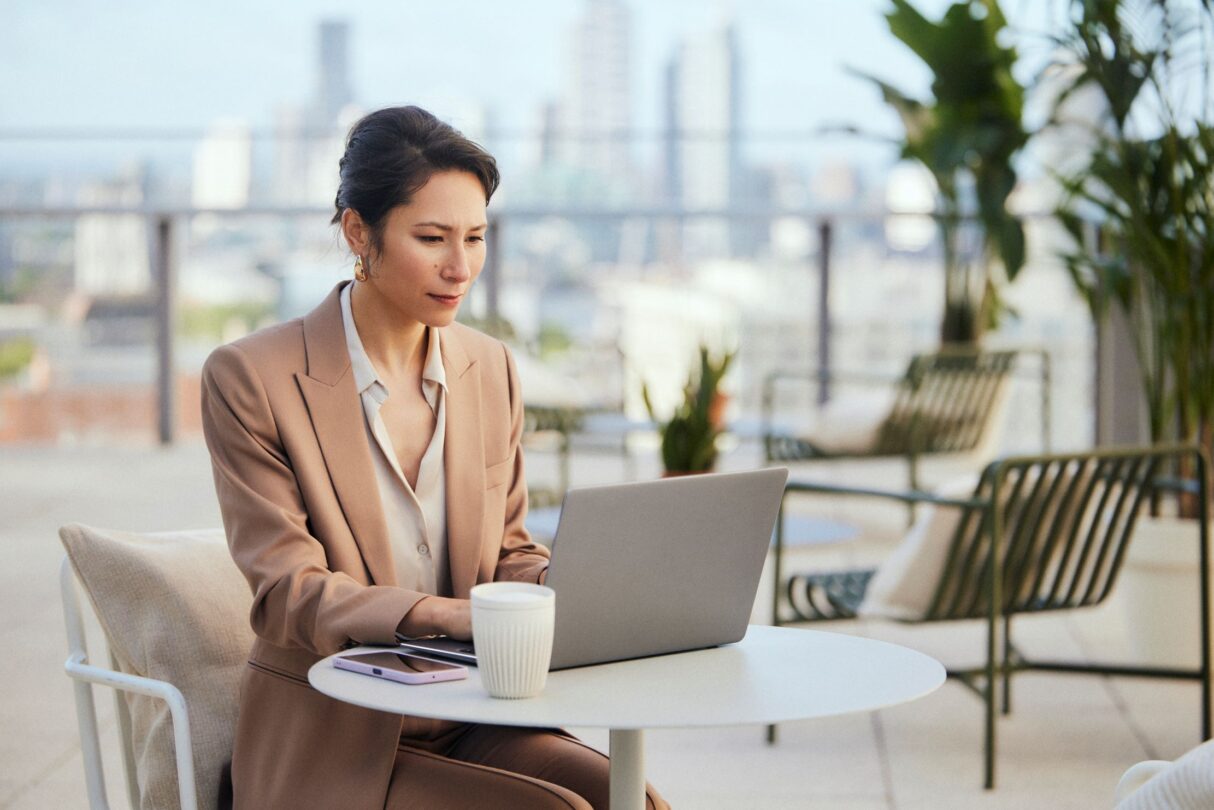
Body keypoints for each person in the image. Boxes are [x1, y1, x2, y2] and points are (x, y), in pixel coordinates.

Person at [201, 106, 668, 810]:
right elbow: (288, 595)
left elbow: (508, 552)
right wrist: (449, 616)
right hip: (332, 742)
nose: (461, 267)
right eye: (432, 238)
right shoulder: (252, 378)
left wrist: (575, 587)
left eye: (476, 238)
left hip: (475, 714)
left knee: (631, 798)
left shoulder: (489, 367)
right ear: (359, 231)